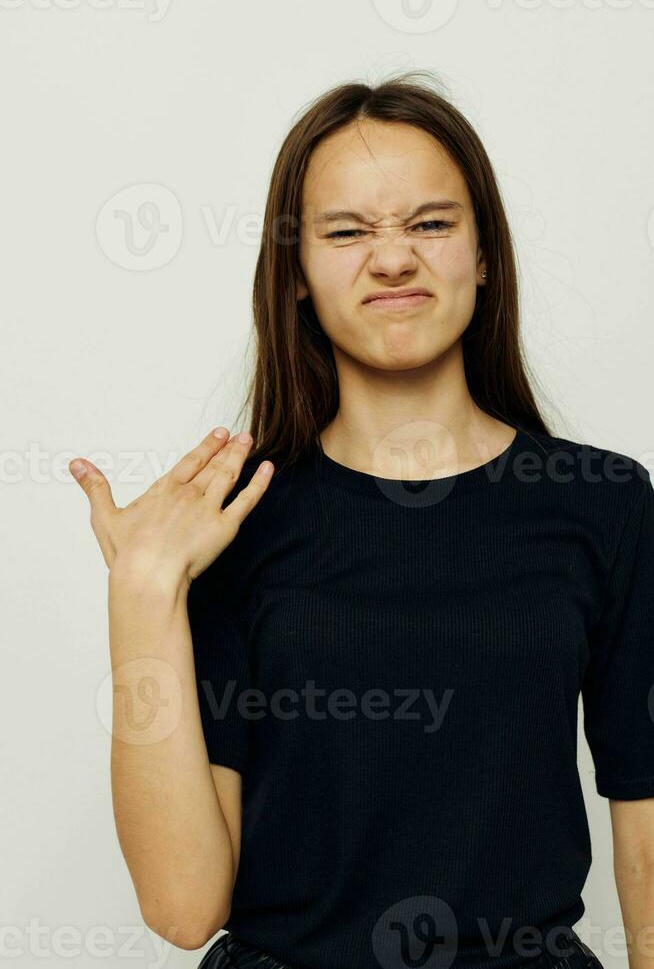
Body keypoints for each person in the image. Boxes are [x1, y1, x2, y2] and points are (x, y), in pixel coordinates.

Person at [70, 72, 654, 969]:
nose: (392, 259)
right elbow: (184, 909)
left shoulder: (604, 504)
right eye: (346, 232)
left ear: (484, 252)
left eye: (430, 224)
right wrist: (142, 594)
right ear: (297, 273)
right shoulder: (232, 524)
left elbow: (646, 839)